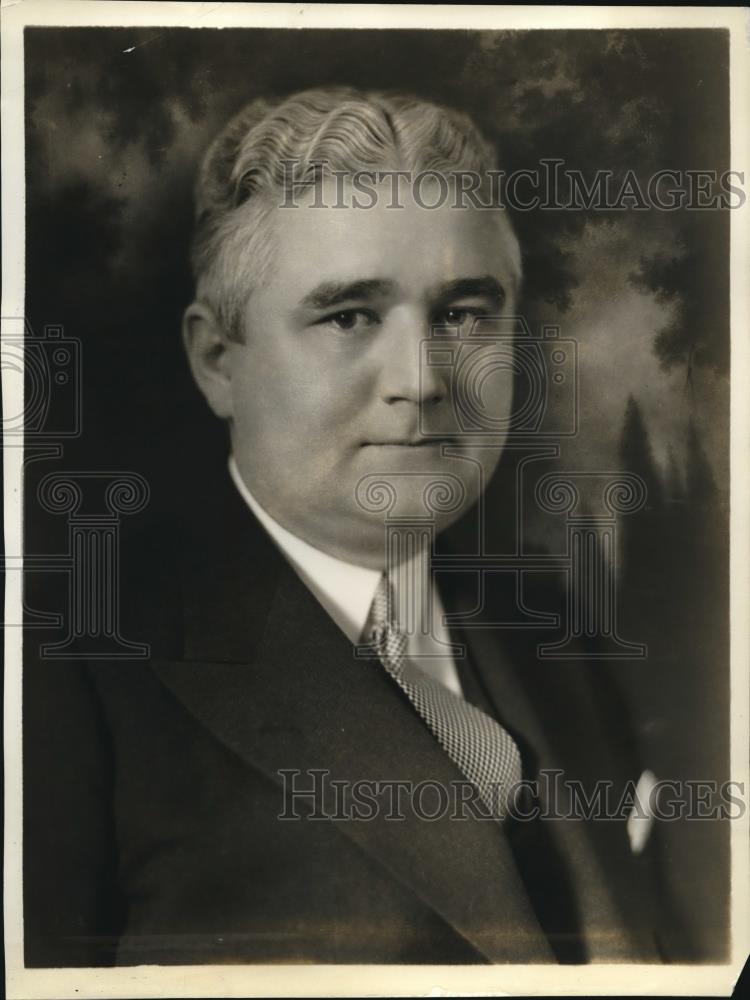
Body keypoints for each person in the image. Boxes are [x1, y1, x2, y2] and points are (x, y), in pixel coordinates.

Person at [24, 87, 680, 967]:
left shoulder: (549, 617)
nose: (421, 378)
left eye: (462, 315)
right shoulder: (70, 667)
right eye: (348, 317)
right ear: (218, 361)